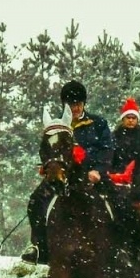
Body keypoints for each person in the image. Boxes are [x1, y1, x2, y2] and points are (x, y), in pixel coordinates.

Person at [21, 80, 112, 264]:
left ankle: (120, 244)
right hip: (63, 176)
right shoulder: (56, 126)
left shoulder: (98, 123)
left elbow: (107, 150)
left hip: (91, 175)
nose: (75, 107)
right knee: (36, 201)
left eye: (78, 103)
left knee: (117, 200)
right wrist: (47, 166)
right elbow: (47, 149)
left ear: (84, 103)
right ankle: (39, 246)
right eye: (71, 104)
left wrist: (97, 170)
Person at [108, 98, 140, 185]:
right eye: (128, 117)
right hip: (117, 174)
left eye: (133, 118)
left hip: (137, 174)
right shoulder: (114, 136)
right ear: (123, 119)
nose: (131, 120)